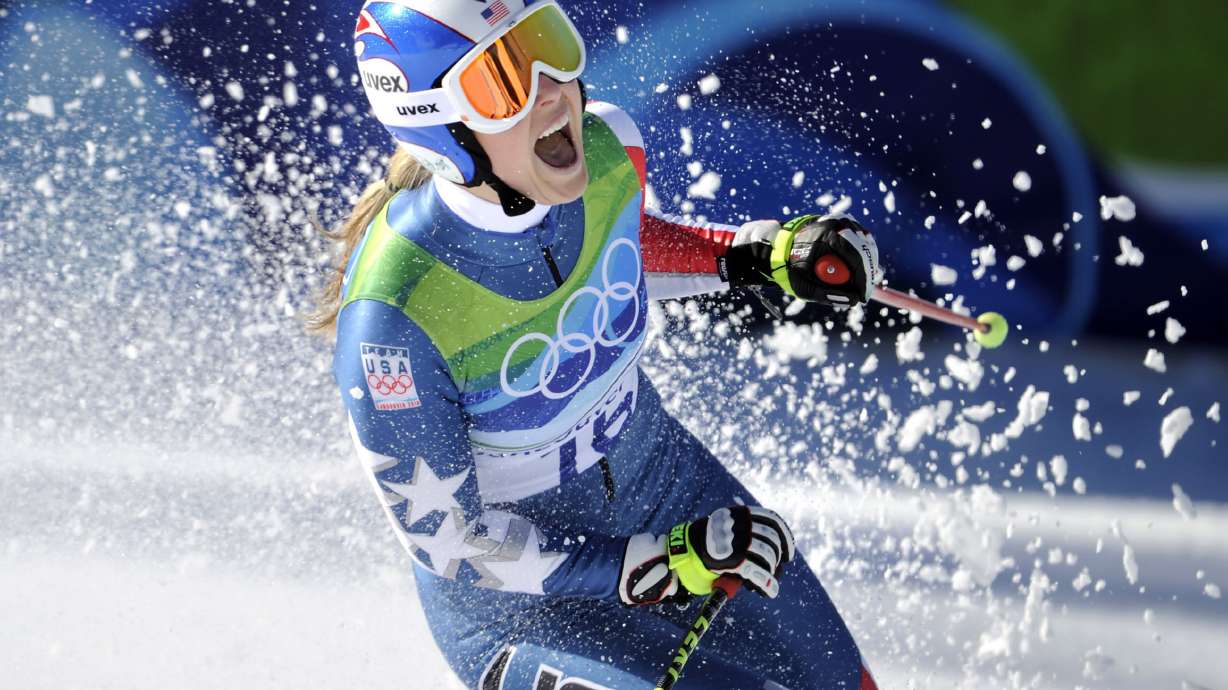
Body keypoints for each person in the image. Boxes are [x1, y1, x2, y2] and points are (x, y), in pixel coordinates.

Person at [311, 1, 882, 687]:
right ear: (442, 130)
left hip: (673, 497)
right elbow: (448, 538)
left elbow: (620, 248)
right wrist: (647, 565)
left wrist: (753, 255)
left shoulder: (610, 147)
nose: (553, 89)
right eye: (505, 77)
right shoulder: (394, 319)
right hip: (528, 610)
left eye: (549, 42)